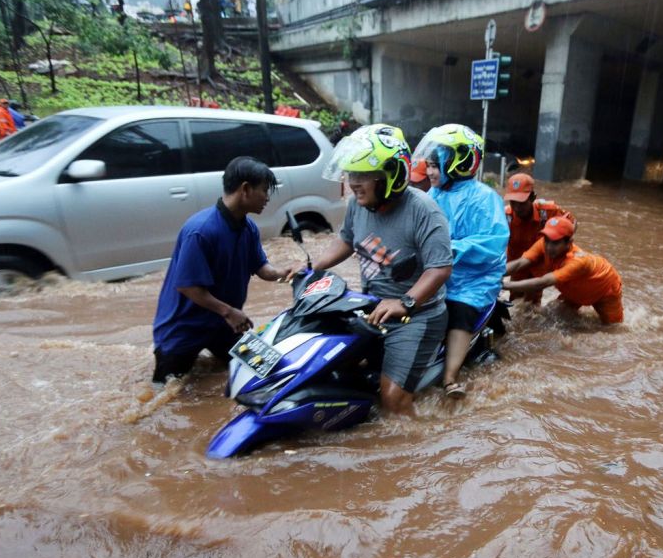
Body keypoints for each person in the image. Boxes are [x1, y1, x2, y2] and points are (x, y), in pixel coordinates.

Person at [311, 126, 453, 414]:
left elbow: (440, 269)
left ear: (392, 175)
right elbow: (346, 240)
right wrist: (313, 267)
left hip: (416, 316)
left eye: (363, 175)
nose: (354, 183)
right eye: (352, 175)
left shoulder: (424, 210)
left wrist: (405, 302)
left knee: (392, 400)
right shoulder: (357, 205)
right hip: (371, 307)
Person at [151, 157, 295, 383]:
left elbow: (261, 268)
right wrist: (229, 311)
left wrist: (283, 273)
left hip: (224, 324)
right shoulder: (200, 231)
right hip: (183, 330)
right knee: (168, 393)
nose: (267, 198)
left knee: (265, 370)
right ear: (245, 189)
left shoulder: (248, 228)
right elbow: (188, 286)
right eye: (265, 190)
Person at [416, 123, 509, 399]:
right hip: (439, 269)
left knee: (458, 311)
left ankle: (449, 378)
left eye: (435, 165)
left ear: (456, 163)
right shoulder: (433, 195)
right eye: (428, 165)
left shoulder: (485, 198)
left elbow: (492, 243)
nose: (429, 172)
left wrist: (451, 249)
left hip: (473, 278)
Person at [503, 216, 624, 325]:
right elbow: (520, 263)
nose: (548, 247)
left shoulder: (578, 262)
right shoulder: (543, 243)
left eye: (555, 243)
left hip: (605, 290)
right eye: (547, 240)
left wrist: (502, 285)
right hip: (575, 291)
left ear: (569, 243)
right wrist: (493, 274)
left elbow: (542, 282)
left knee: (613, 329)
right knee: (552, 317)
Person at [503, 172, 573, 304]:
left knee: (533, 302)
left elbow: (571, 225)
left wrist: (559, 251)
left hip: (541, 261)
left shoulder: (548, 211)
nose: (517, 208)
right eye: (513, 202)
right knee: (515, 300)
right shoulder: (505, 216)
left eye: (521, 203)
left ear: (533, 197)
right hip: (516, 261)